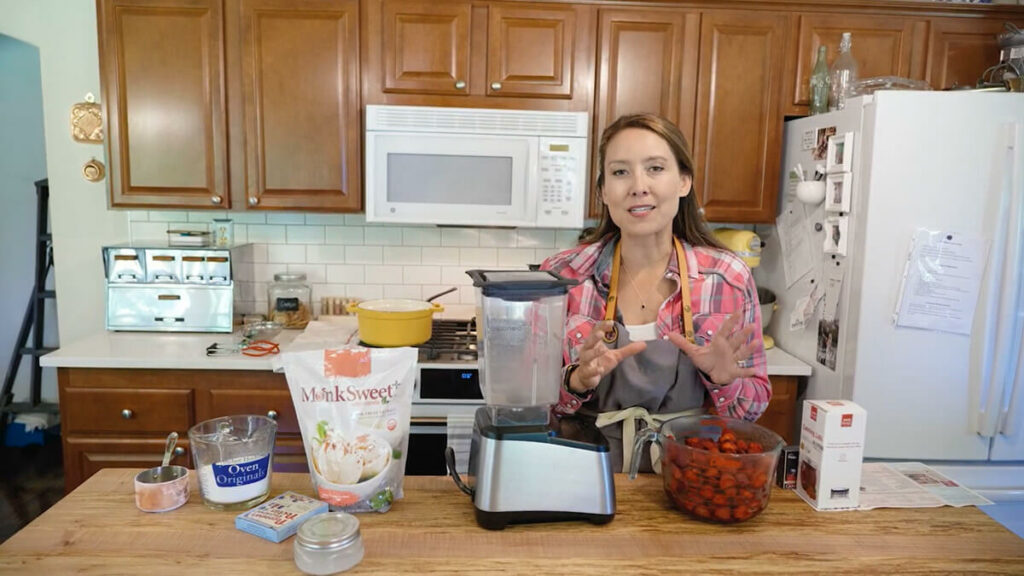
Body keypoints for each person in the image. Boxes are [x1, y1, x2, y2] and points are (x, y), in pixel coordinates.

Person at [540, 113, 770, 473]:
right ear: (603, 191)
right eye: (620, 172)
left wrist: (722, 380)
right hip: (582, 475)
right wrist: (576, 381)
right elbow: (529, 404)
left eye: (655, 168)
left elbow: (751, 411)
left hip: (687, 477)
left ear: (683, 181)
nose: (638, 186)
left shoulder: (727, 277)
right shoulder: (563, 276)